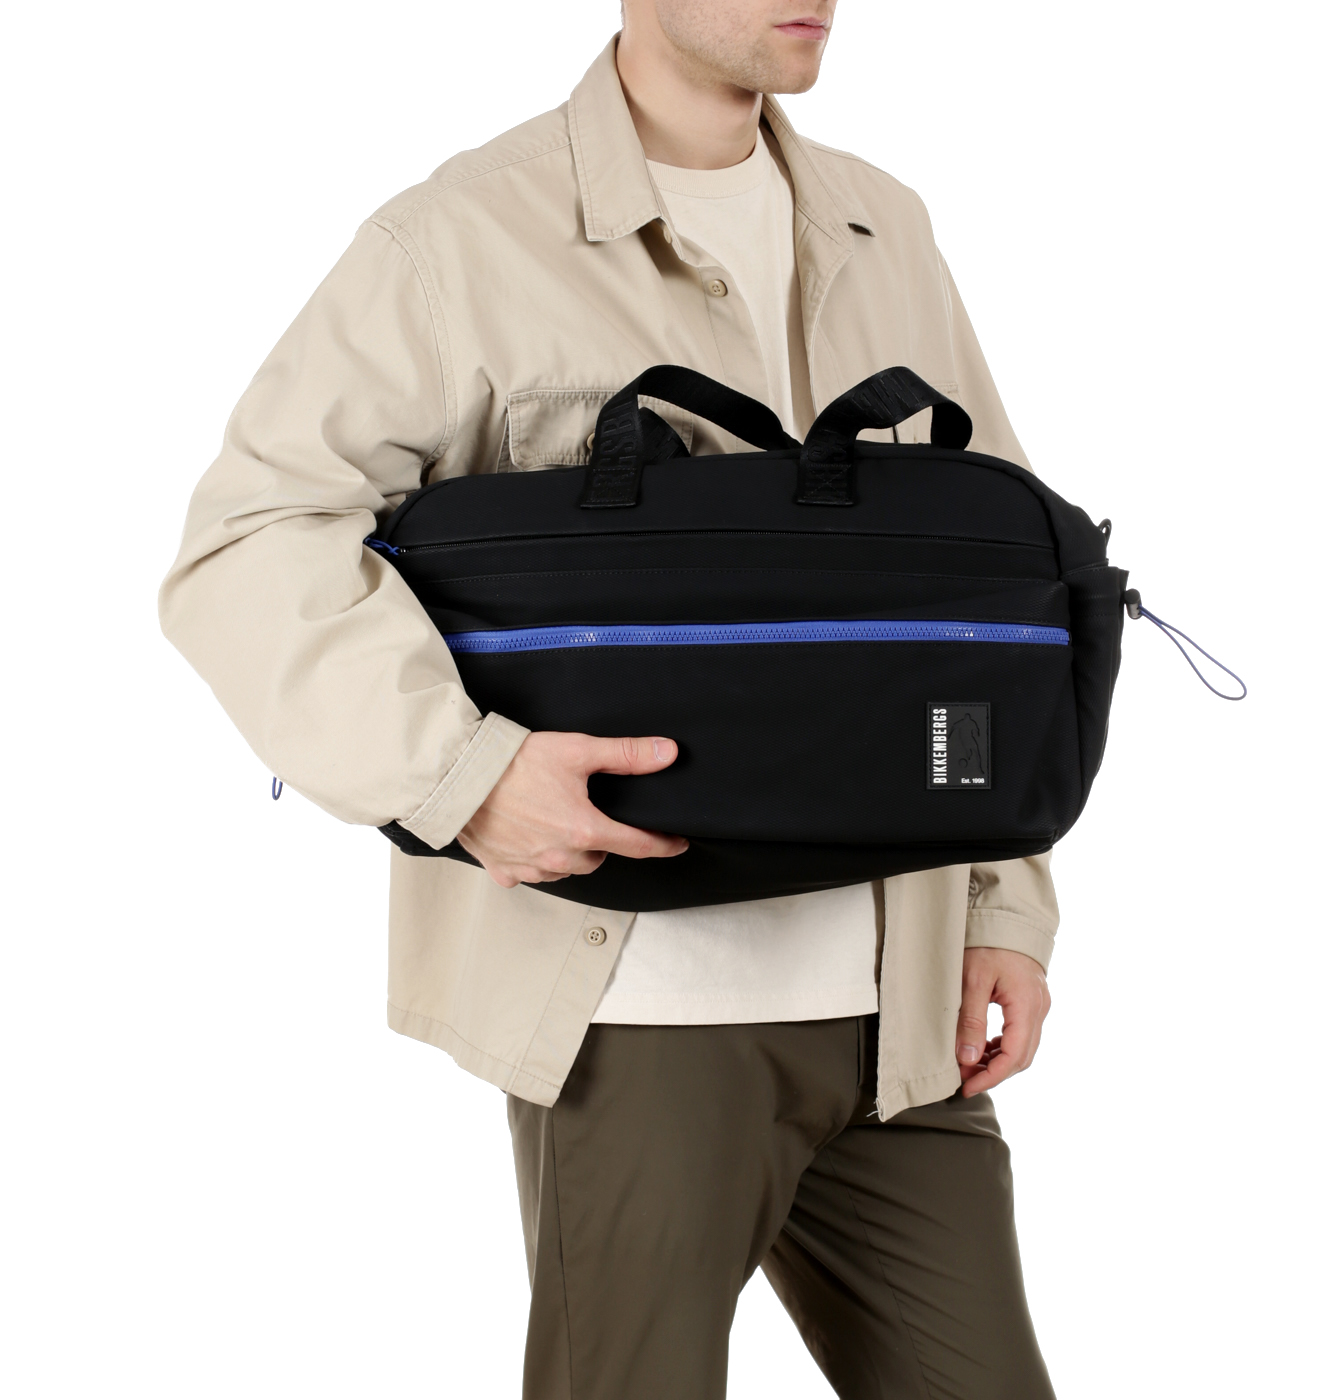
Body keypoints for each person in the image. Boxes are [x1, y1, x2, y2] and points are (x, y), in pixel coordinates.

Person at [160, 3, 1060, 1395]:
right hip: (639, 1008)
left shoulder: (884, 227)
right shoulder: (459, 241)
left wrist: (1002, 905)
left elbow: (986, 601)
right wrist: (462, 777)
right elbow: (249, 542)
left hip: (905, 1005)